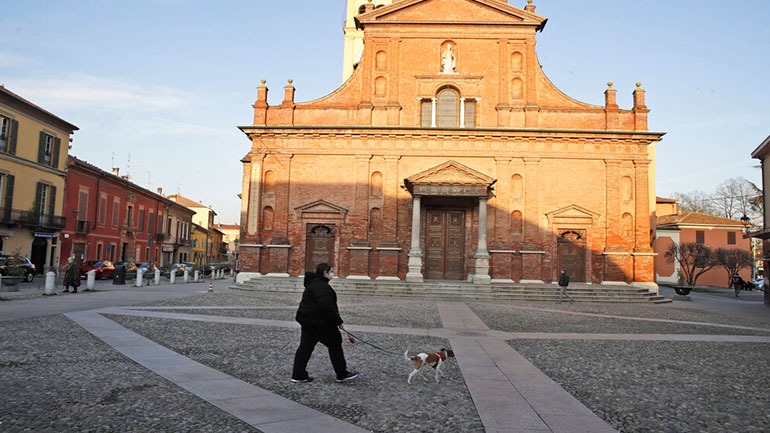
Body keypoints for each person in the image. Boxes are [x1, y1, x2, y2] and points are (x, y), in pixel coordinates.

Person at [292, 263, 358, 383]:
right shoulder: (322, 286)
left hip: (307, 321)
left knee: (305, 348)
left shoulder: (313, 283)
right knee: (335, 344)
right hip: (320, 323)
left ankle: (298, 375)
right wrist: (338, 322)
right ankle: (342, 374)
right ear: (325, 272)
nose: (332, 274)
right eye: (331, 271)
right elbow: (327, 307)